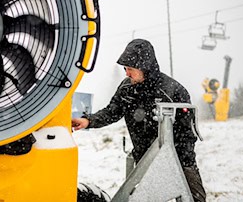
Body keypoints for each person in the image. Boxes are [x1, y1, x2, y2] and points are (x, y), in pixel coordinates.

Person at [72, 39, 206, 202]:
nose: (127, 73)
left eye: (130, 69)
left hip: (178, 159)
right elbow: (112, 111)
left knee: (194, 198)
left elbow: (186, 132)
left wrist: (183, 163)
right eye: (125, 69)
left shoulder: (172, 91)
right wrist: (88, 121)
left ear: (145, 67)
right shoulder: (126, 88)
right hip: (144, 160)